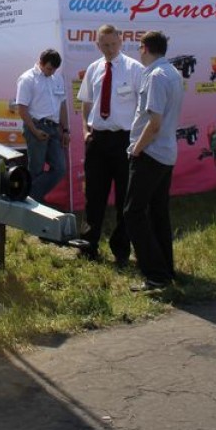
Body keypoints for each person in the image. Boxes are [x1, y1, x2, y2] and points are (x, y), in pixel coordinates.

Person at [77, 24, 143, 265]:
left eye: (113, 44)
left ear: (121, 41)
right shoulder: (94, 69)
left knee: (125, 197)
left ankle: (121, 250)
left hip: (124, 140)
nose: (109, 49)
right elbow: (86, 103)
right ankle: (88, 246)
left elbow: (142, 107)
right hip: (98, 140)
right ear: (97, 45)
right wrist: (85, 131)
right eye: (104, 45)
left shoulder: (134, 69)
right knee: (93, 196)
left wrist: (137, 139)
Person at [124, 30, 184, 292]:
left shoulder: (156, 76)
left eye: (139, 48)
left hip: (150, 152)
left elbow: (154, 122)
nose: (139, 52)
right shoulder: (172, 72)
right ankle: (165, 270)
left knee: (133, 213)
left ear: (145, 48)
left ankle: (155, 274)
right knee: (158, 213)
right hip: (165, 152)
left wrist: (137, 149)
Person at [15, 48, 70, 202]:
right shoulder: (27, 79)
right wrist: (34, 130)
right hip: (36, 125)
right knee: (36, 169)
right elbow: (22, 108)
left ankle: (28, 196)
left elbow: (62, 105)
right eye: (49, 69)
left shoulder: (57, 78)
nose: (51, 72)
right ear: (41, 63)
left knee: (60, 168)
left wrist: (65, 130)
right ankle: (32, 202)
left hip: (54, 128)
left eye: (54, 69)